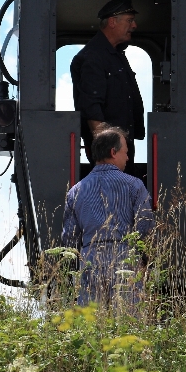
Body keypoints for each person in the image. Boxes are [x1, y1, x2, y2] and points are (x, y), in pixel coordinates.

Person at [62, 126, 154, 306]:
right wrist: (146, 262)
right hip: (126, 262)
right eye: (125, 152)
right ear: (113, 152)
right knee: (128, 325)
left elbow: (69, 240)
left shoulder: (75, 192)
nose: (128, 158)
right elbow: (145, 229)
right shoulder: (134, 186)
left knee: (91, 327)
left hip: (89, 262)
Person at [71, 0, 145, 178]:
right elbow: (91, 107)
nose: (134, 26)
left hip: (120, 150)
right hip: (110, 154)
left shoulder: (117, 56)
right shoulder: (92, 57)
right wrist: (107, 152)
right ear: (112, 22)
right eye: (129, 20)